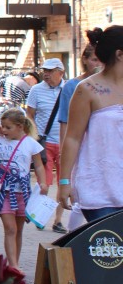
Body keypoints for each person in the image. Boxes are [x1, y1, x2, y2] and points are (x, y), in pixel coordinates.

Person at [58, 26, 123, 222]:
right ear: (120, 54)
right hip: (99, 190)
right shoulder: (87, 89)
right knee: (108, 251)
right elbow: (72, 138)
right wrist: (64, 181)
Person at [0, 108, 46, 269]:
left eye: (8, 127)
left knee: (18, 230)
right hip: (4, 190)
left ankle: (15, 262)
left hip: (23, 191)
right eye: (3, 126)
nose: (4, 130)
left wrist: (43, 183)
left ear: (20, 126)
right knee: (10, 228)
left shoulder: (30, 143)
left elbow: (39, 166)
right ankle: (13, 265)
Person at [53, 44, 102, 232]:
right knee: (81, 198)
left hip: (103, 153)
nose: (97, 63)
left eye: (100, 59)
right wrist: (64, 154)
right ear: (85, 60)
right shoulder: (75, 87)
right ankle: (70, 234)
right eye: (94, 59)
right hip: (81, 148)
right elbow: (65, 123)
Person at [26, 59, 66, 229]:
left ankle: (58, 220)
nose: (46, 74)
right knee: (45, 181)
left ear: (61, 73)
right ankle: (39, 216)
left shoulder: (69, 88)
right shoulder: (36, 90)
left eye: (50, 71)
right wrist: (34, 136)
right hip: (45, 142)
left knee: (63, 181)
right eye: (44, 71)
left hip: (65, 143)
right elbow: (29, 115)